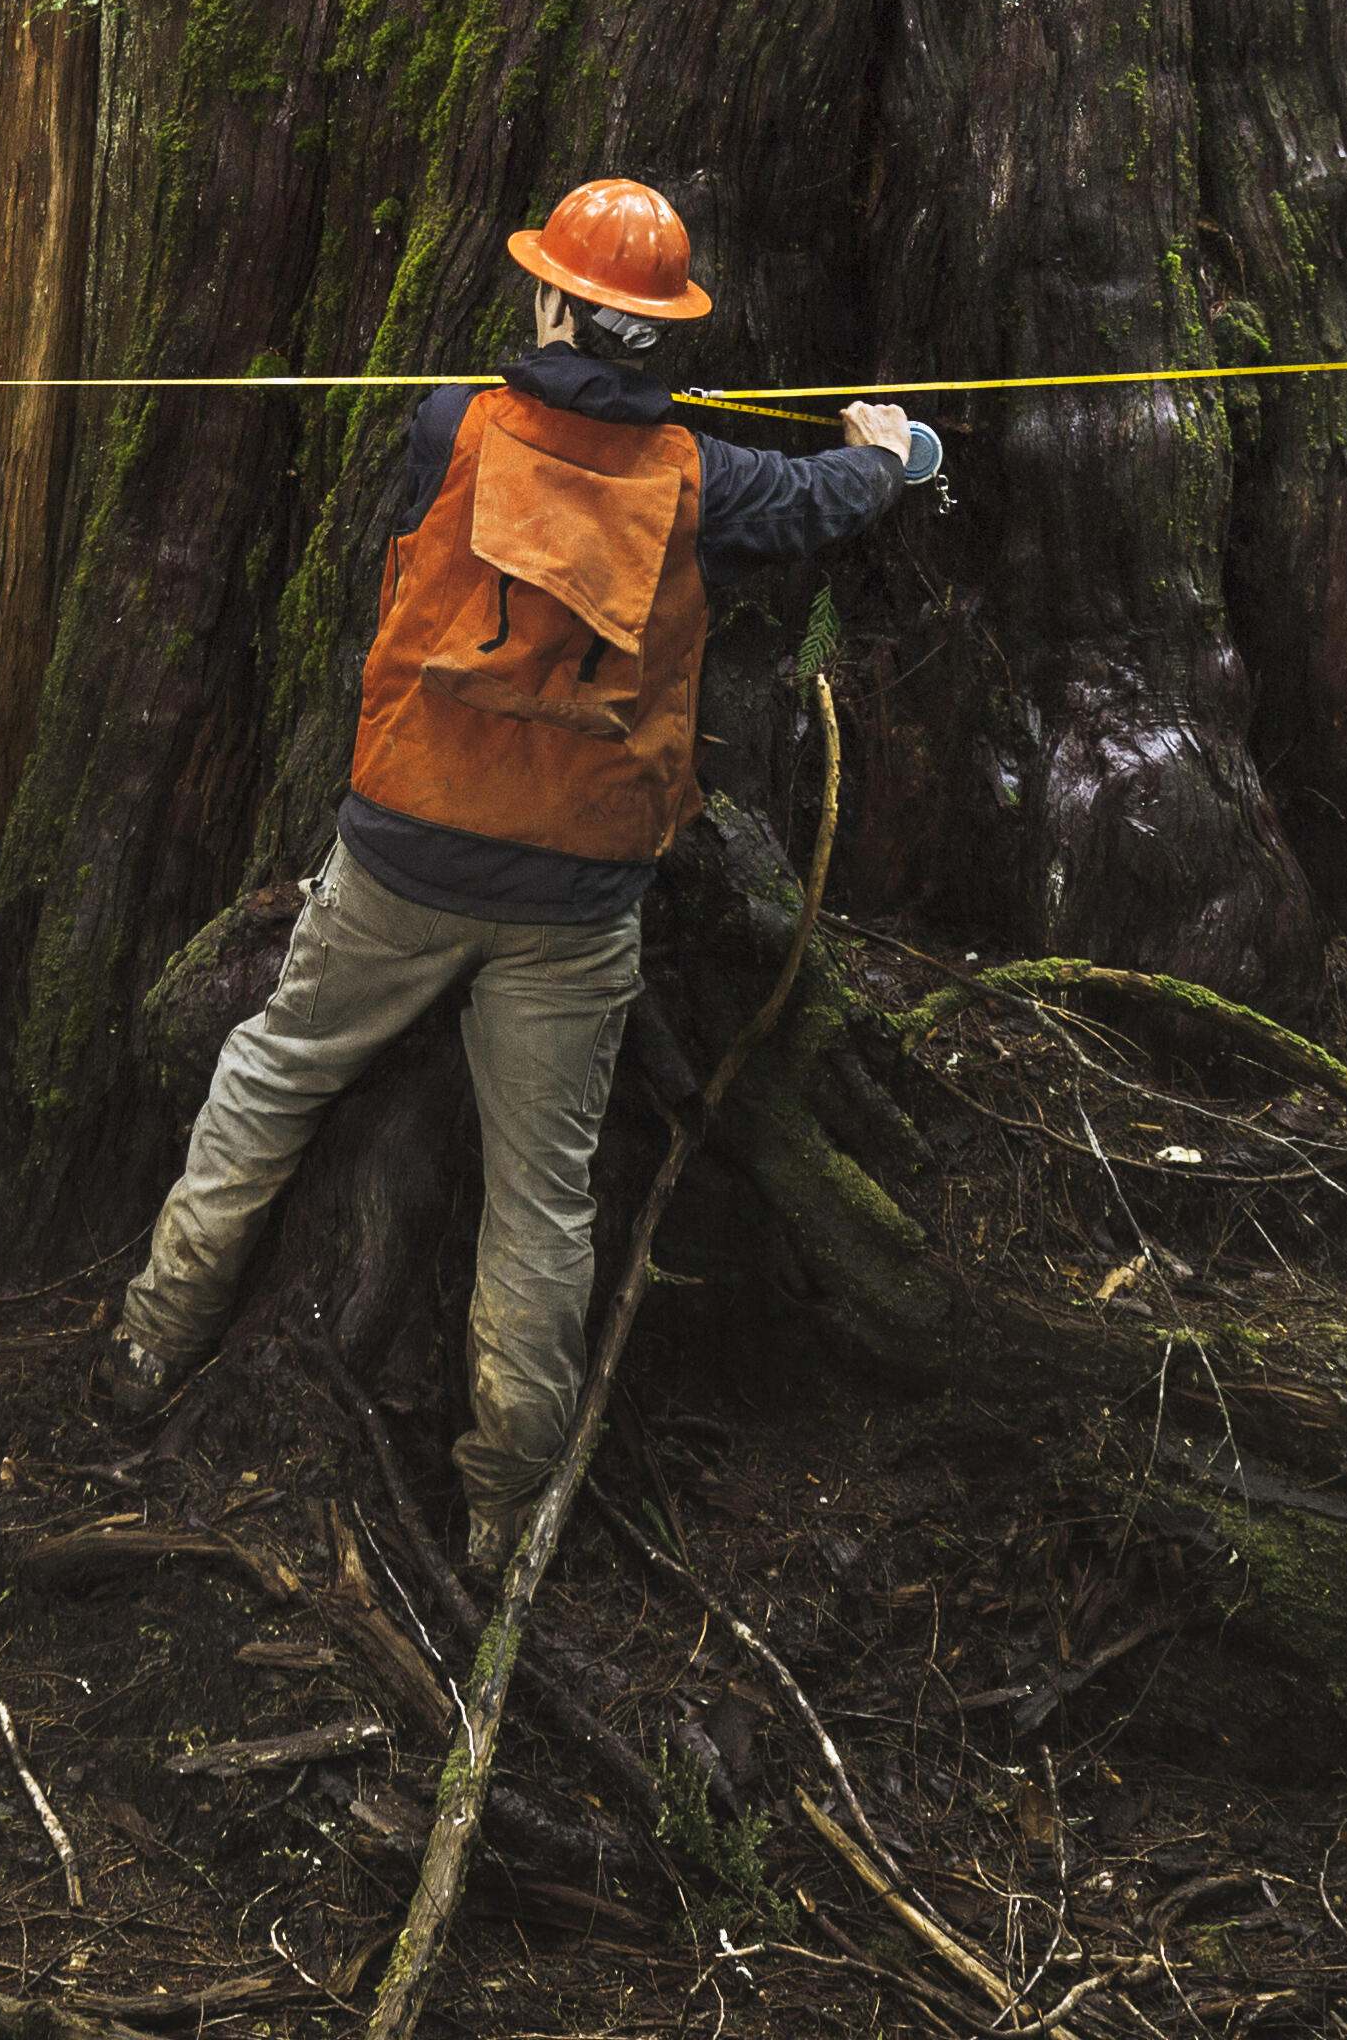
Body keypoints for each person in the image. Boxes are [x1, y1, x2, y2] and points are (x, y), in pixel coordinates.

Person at [91, 176, 919, 1575]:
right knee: (543, 1196)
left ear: (549, 301)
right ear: (662, 334)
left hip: (403, 853)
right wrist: (893, 452)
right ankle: (502, 1511)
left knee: (277, 1071)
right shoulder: (712, 486)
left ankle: (146, 1342)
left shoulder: (446, 425)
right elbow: (831, 497)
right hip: (579, 896)